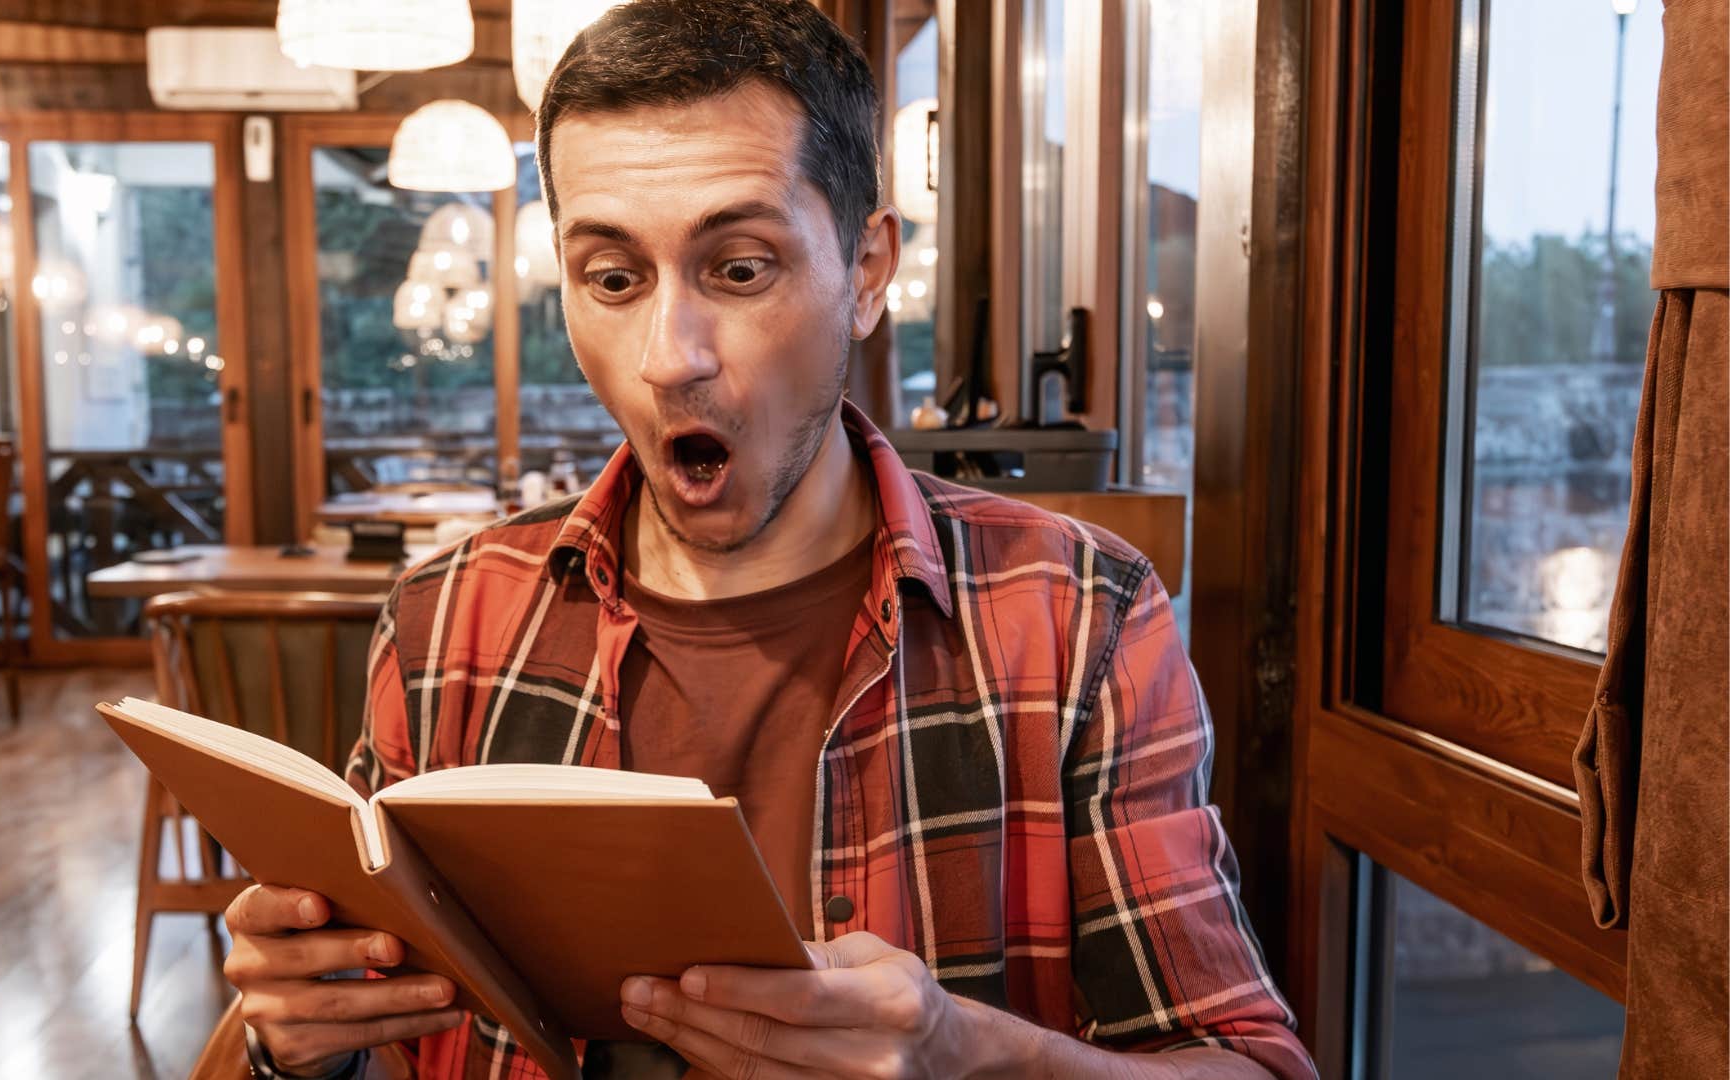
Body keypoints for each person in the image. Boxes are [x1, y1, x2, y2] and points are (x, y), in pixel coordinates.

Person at [220, 2, 1314, 1077]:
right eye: (612, 278)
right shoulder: (447, 612)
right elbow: (379, 1014)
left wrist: (964, 1054)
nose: (668, 357)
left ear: (870, 268)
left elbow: (1242, 1062)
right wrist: (304, 1046)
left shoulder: (1078, 616)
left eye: (740, 269)